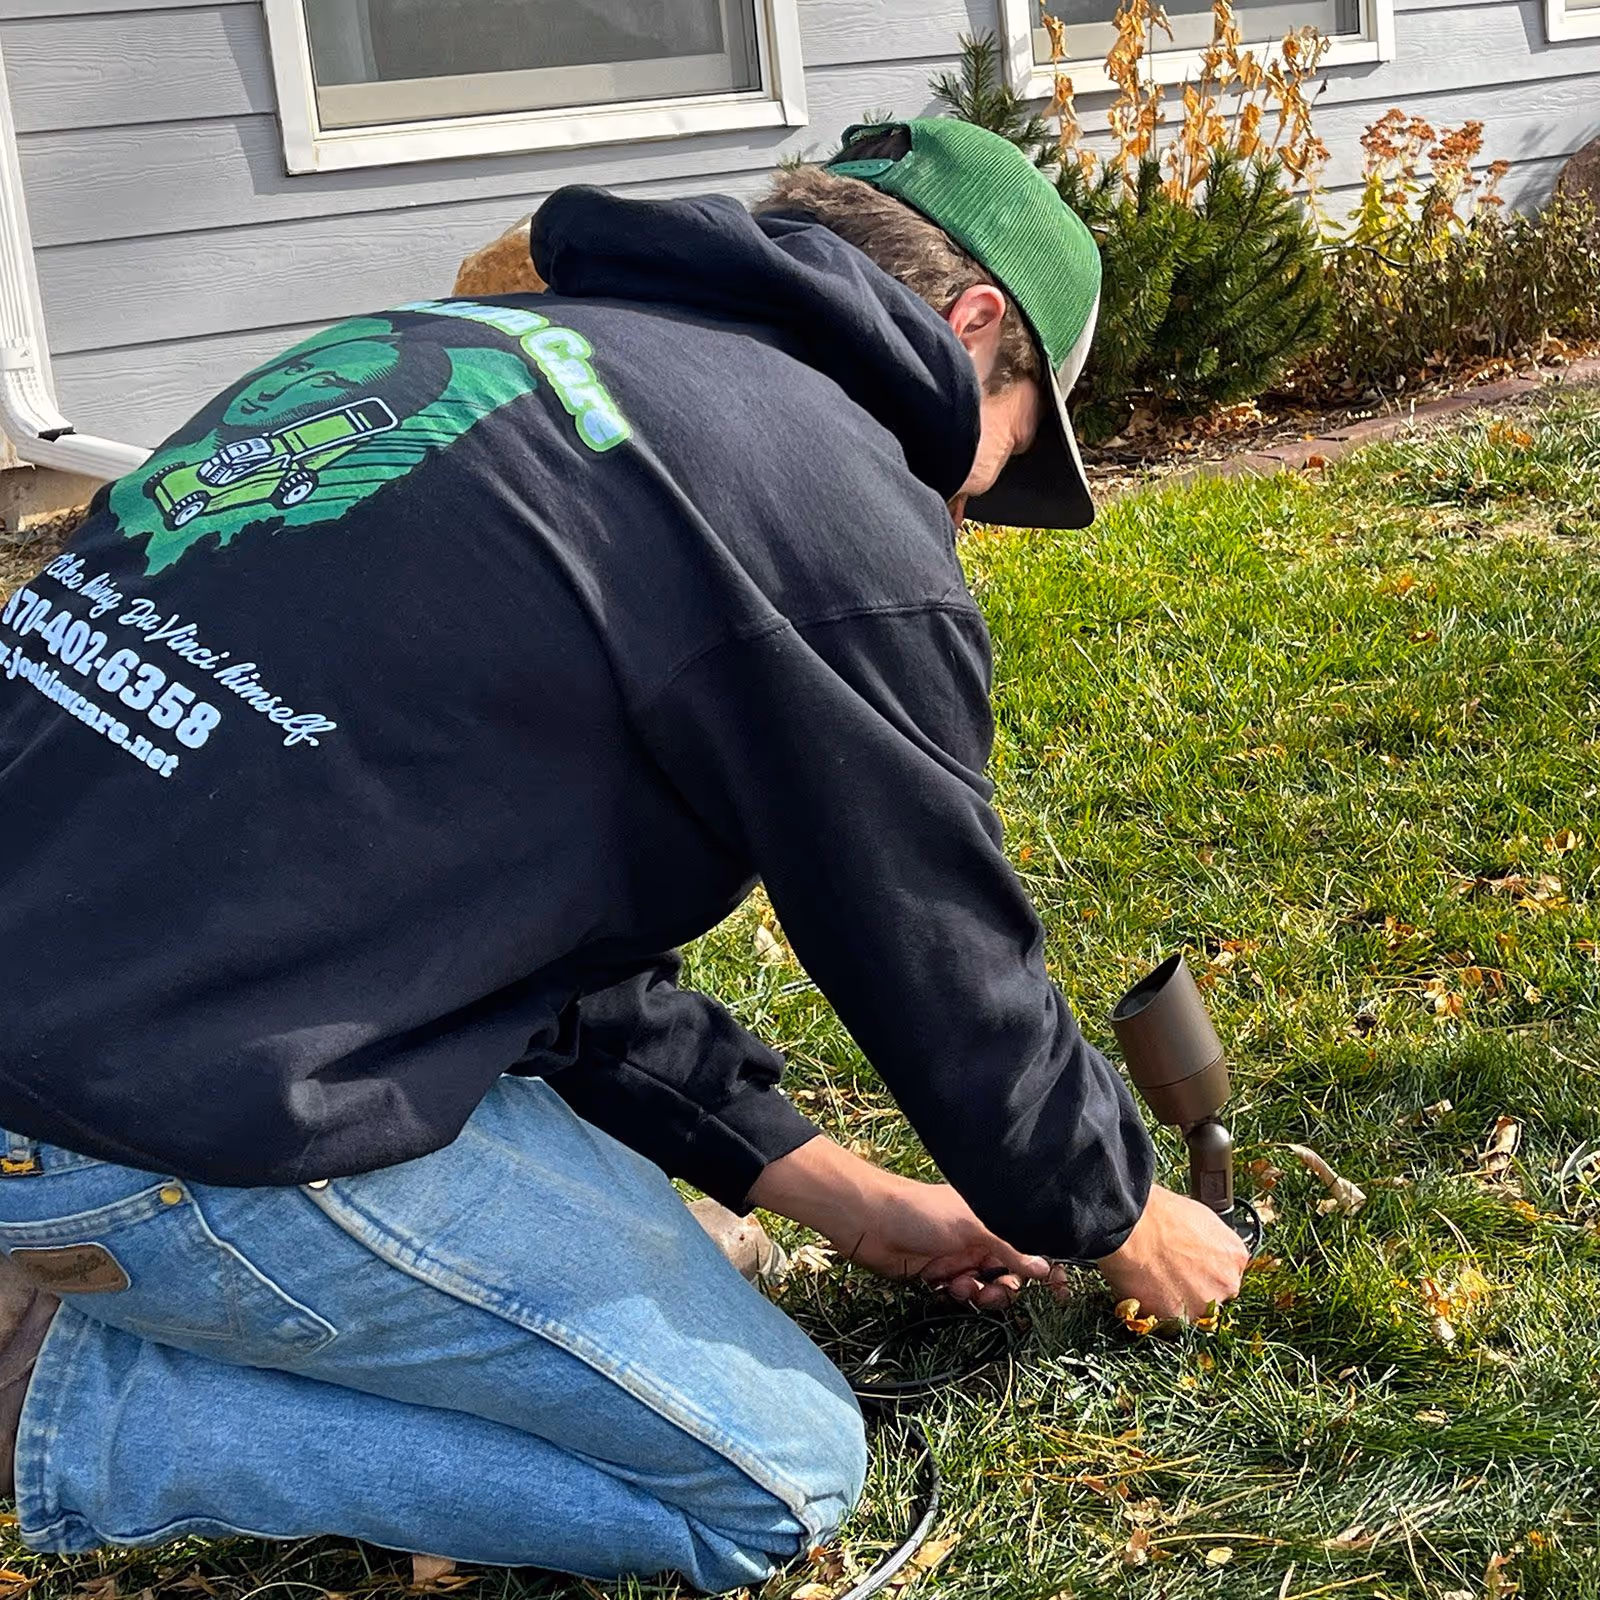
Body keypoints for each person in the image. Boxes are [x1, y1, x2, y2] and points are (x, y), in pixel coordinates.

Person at [0, 120, 1248, 1591]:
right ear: (977, 326)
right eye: (1013, 450)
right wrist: (1118, 1214)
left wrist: (862, 1201)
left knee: (676, 1279)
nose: (967, 507)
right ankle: (57, 1408)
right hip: (150, 1124)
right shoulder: (824, 501)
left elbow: (512, 945)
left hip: (139, 1004)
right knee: (775, 1478)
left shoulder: (479, 350)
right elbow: (937, 955)